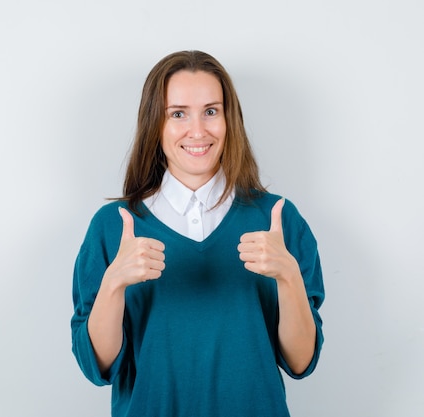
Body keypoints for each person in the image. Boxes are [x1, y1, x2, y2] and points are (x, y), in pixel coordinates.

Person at [70, 50, 324, 417]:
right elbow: (98, 367)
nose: (198, 130)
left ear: (228, 119)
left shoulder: (278, 219)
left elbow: (301, 362)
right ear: (154, 124)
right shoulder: (113, 226)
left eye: (211, 111)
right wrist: (114, 284)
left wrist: (288, 276)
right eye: (178, 114)